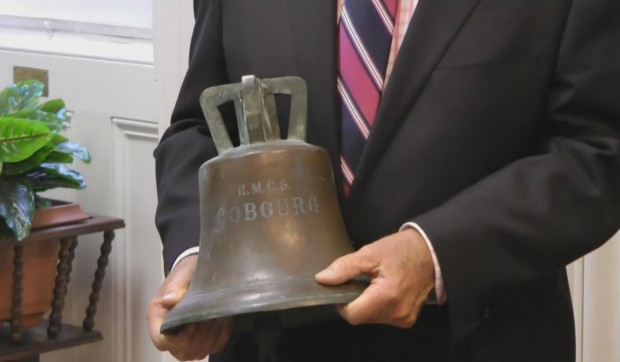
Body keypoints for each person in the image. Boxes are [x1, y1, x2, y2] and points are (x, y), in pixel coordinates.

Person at [147, 0, 620, 361]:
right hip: (270, 347)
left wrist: (434, 253)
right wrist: (201, 259)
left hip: (478, 342)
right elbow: (199, 127)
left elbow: (597, 150)